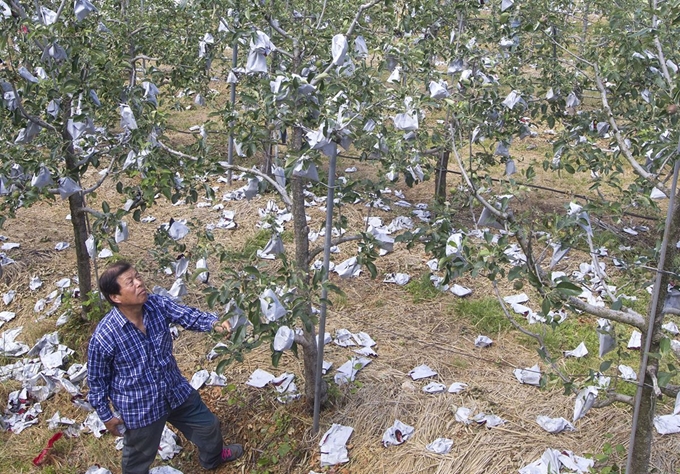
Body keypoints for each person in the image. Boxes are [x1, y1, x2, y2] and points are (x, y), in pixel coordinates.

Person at [87, 261, 243, 474]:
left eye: (138, 276)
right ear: (116, 297)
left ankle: (213, 459)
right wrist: (106, 415)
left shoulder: (155, 304)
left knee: (208, 427)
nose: (140, 283)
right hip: (140, 407)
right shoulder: (105, 336)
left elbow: (187, 315)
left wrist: (213, 323)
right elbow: (97, 381)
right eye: (130, 282)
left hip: (174, 390)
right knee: (138, 458)